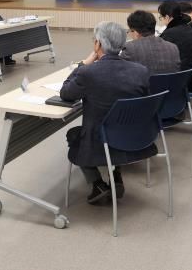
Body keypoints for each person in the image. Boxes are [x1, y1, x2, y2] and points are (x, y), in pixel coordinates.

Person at [60, 21, 152, 205]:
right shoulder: (140, 71)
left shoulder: (88, 73)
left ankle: (97, 184)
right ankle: (116, 175)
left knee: (73, 134)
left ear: (98, 44)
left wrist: (83, 64)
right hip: (135, 137)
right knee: (116, 128)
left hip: (99, 140)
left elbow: (66, 93)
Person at [120, 10, 180, 75]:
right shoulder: (173, 48)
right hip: (169, 82)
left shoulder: (130, 48)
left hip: (143, 82)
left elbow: (120, 72)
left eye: (129, 31)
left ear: (135, 32)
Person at [157, 0, 192, 71]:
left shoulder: (170, 33)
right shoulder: (187, 26)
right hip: (190, 71)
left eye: (161, 17)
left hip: (178, 72)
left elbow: (158, 52)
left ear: (167, 17)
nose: (162, 20)